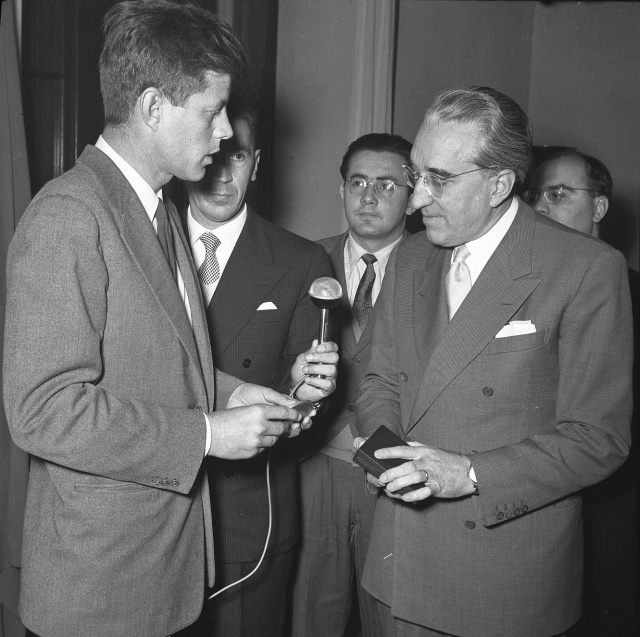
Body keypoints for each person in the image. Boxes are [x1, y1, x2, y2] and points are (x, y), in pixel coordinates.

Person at [2, 3, 311, 636]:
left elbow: (156, 363)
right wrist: (207, 434)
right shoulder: (70, 214)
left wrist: (234, 393)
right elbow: (42, 410)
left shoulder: (158, 210)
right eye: (211, 111)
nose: (223, 131)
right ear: (151, 107)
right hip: (100, 586)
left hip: (163, 573)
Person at [353, 86, 633, 637]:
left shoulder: (584, 268)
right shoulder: (410, 256)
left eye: (440, 179)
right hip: (393, 567)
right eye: (415, 174)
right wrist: (386, 457)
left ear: (500, 184)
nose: (415, 200)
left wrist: (469, 473)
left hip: (498, 579)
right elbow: (379, 377)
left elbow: (598, 439)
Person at [180, 94, 337, 637]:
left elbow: (310, 403)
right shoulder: (148, 242)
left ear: (257, 163)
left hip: (246, 515)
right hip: (158, 508)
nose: (223, 175)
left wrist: (302, 392)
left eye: (240, 156)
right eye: (214, 154)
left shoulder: (300, 260)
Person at [291, 133, 412, 637]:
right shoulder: (302, 260)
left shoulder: (436, 265)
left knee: (390, 614)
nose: (369, 197)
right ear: (341, 189)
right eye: (358, 183)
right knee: (311, 612)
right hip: (315, 462)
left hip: (395, 464)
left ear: (412, 193)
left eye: (387, 185)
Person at [526, 150, 638, 636]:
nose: (541, 207)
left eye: (558, 194)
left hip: (614, 507)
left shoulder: (631, 291)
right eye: (535, 195)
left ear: (599, 207)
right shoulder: (522, 288)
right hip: (536, 502)